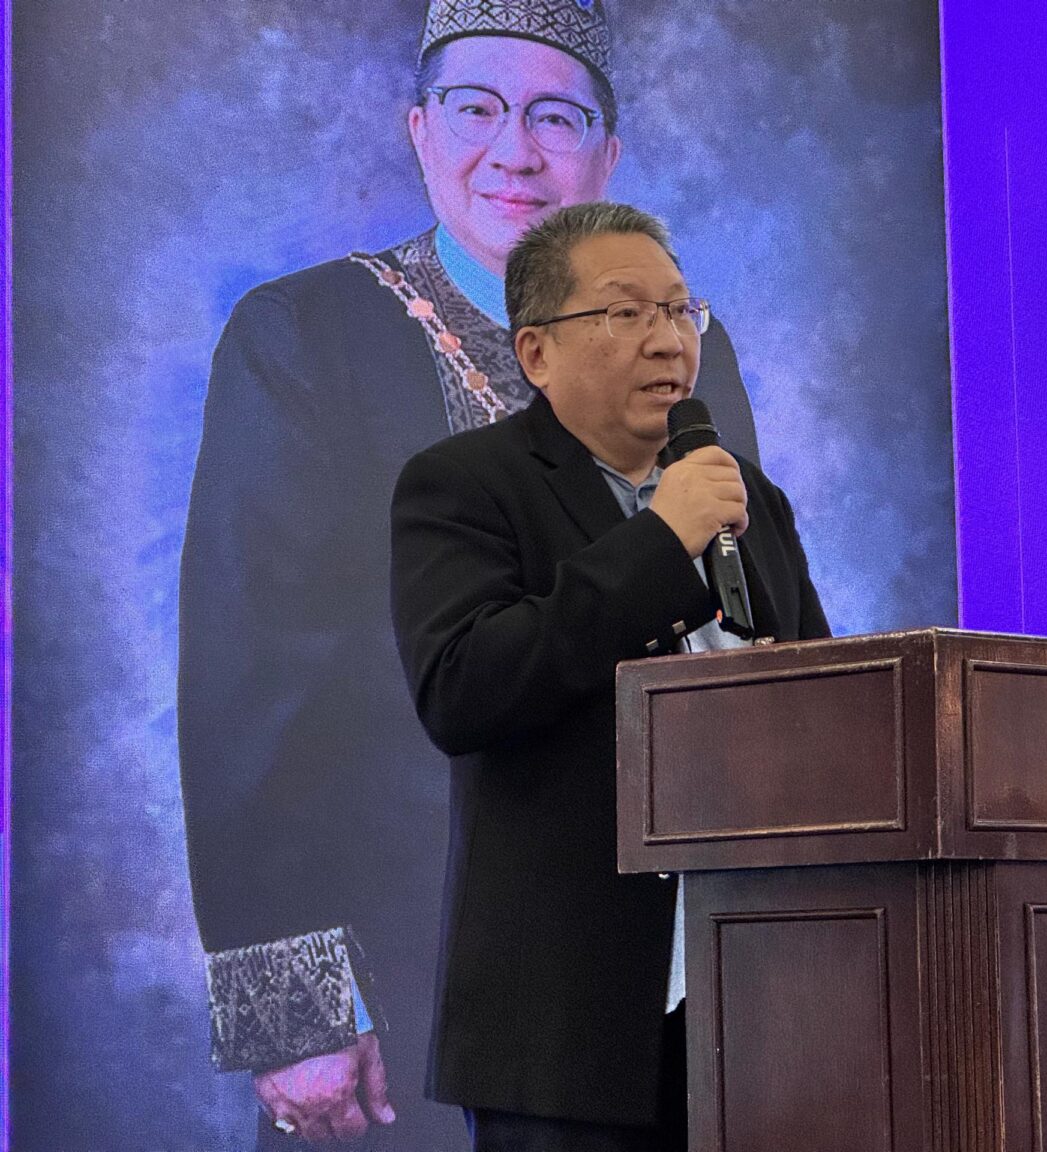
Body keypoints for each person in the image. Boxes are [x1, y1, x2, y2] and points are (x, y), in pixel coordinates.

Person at [177, 2, 759, 1148]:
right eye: (476, 108)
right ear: (419, 131)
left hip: (662, 977)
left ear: (607, 155)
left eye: (554, 117)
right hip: (416, 980)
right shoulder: (308, 336)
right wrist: (297, 1012)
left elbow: (739, 624)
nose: (514, 152)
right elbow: (250, 686)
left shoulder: (688, 343)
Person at [388, 202, 830, 1151]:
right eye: (627, 313)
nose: (667, 340)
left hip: (757, 1013)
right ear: (536, 352)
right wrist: (660, 542)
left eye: (680, 311)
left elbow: (826, 708)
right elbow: (463, 687)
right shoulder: (466, 485)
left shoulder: (751, 499)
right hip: (564, 1027)